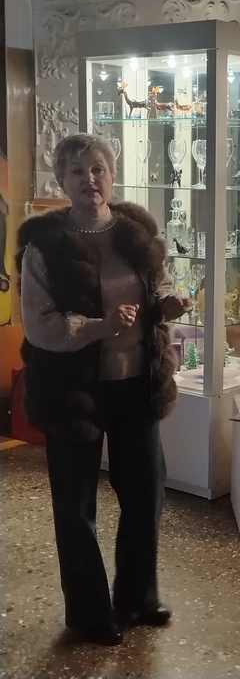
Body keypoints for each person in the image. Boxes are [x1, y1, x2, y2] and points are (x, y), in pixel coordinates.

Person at [16, 133, 191, 646]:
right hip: (73, 392)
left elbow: (158, 283)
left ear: (112, 176)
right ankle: (89, 613)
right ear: (61, 181)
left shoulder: (135, 232)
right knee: (75, 506)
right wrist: (100, 326)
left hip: (136, 384)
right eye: (76, 171)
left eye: (97, 169)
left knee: (146, 492)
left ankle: (138, 597)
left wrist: (167, 303)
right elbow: (40, 324)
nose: (88, 179)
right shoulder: (45, 246)